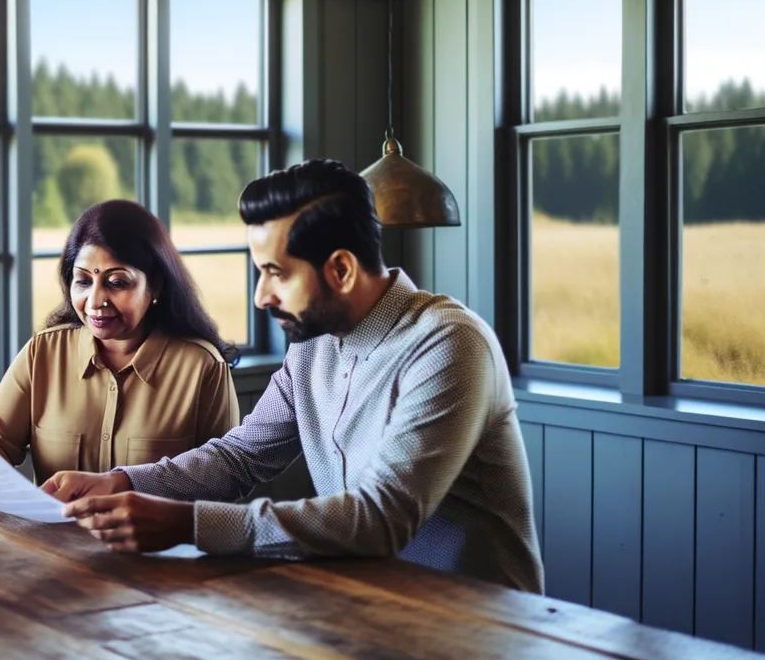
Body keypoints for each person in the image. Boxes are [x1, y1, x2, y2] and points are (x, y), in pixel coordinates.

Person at [43, 160, 544, 594]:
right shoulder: (311, 343)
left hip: (480, 629)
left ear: (342, 270)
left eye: (276, 273)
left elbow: (379, 520)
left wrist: (186, 523)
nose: (262, 296)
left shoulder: (449, 345)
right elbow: (240, 457)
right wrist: (119, 481)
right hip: (371, 612)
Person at [0, 199, 241, 514]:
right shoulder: (44, 353)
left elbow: (223, 477)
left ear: (155, 285)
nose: (96, 300)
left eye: (116, 283)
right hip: (53, 550)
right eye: (83, 281)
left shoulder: (202, 367)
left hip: (161, 559)